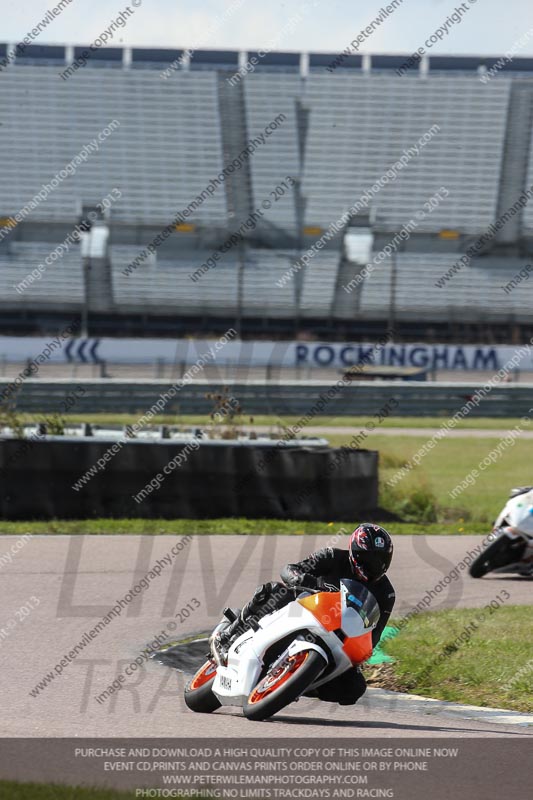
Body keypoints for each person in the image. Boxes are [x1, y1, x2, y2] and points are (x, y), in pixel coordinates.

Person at [215, 523, 395, 705]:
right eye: (369, 559)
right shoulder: (331, 556)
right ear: (354, 552)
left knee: (354, 688)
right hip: (305, 608)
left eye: (380, 560)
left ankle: (303, 683)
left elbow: (375, 634)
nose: (375, 565)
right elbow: (290, 568)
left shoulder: (386, 593)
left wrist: (361, 651)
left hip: (341, 635)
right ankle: (232, 633)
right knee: (275, 591)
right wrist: (299, 577)